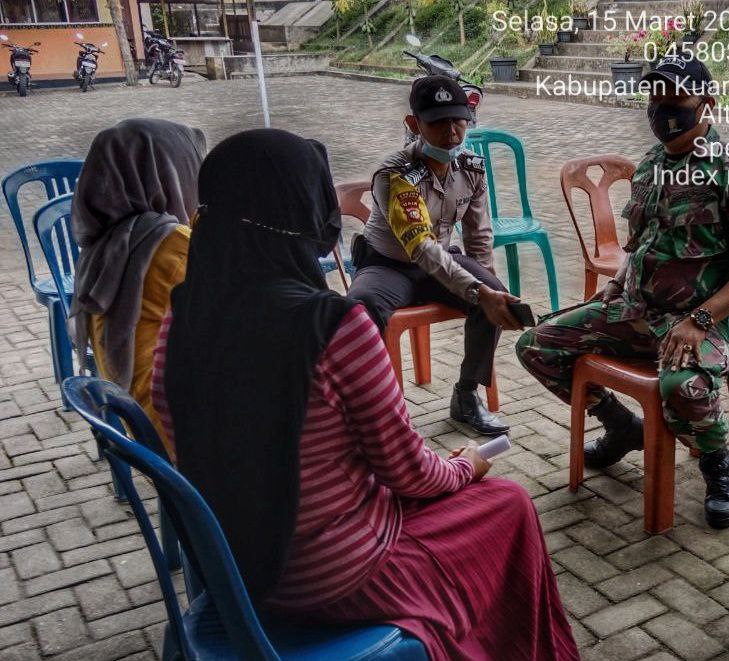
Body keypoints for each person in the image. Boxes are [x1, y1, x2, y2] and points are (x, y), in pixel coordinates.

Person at [151, 129, 580, 661]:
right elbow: (407, 471)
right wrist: (466, 464)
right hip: (331, 577)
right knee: (508, 503)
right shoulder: (334, 326)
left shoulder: (182, 314)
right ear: (300, 216)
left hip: (233, 570)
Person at [516, 55, 729, 529]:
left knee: (684, 388)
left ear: (706, 103)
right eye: (655, 98)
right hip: (636, 308)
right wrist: (612, 290)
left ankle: (714, 462)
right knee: (537, 345)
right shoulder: (649, 168)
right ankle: (621, 426)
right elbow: (639, 249)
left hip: (703, 321)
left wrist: (699, 320)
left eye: (675, 98)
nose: (662, 109)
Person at [347, 75, 522, 436]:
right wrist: (477, 289)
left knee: (495, 296)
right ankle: (372, 412)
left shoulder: (471, 168)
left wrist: (485, 284)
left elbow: (478, 235)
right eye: (438, 122)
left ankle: (466, 395)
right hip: (389, 265)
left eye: (458, 120)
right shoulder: (395, 174)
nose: (452, 132)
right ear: (414, 124)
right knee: (361, 310)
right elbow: (420, 246)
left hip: (439, 262)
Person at [71, 118, 206, 463]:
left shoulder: (109, 240)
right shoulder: (169, 244)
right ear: (171, 174)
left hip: (133, 414)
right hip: (177, 429)